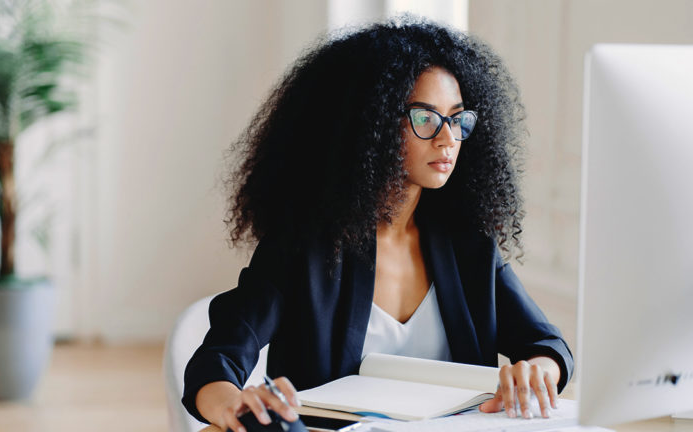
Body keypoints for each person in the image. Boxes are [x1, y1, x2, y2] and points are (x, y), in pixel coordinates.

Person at [182, 18, 573, 432]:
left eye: (457, 119)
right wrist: (235, 405)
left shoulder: (468, 244)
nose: (448, 139)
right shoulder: (303, 248)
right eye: (426, 118)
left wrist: (537, 372)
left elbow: (547, 346)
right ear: (370, 124)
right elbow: (217, 361)